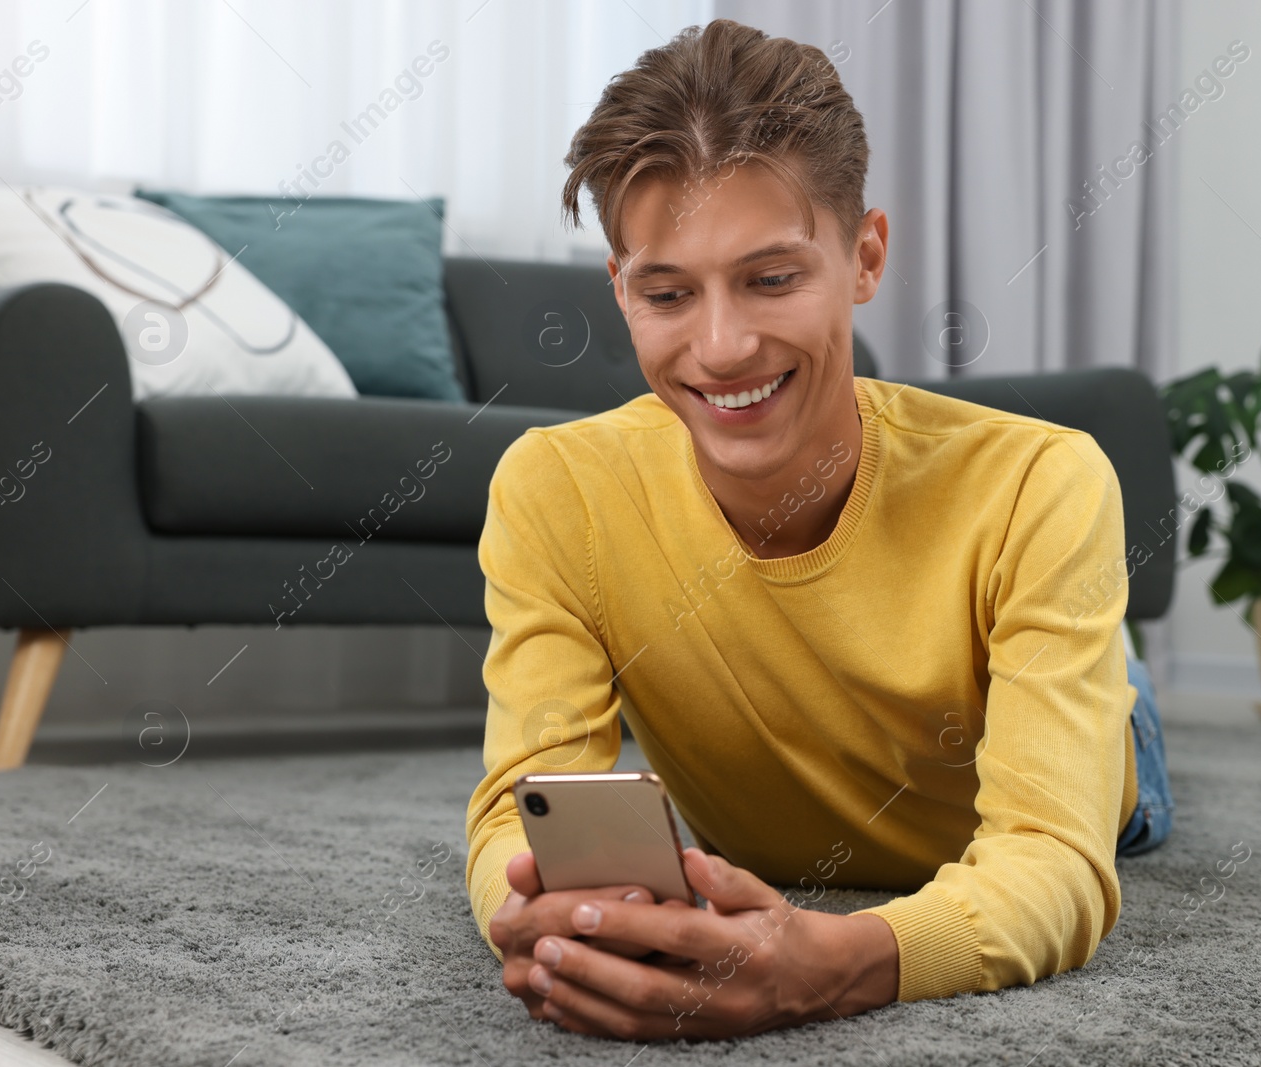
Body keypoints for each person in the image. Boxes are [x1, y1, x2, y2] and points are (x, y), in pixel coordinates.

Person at [465, 17, 1173, 1043]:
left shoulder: (1043, 482)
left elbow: (1054, 861)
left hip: (1098, 760)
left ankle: (1123, 689)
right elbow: (516, 813)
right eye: (668, 293)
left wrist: (833, 964)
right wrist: (548, 920)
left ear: (865, 256)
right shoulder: (552, 489)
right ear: (620, 293)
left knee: (1115, 726)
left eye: (771, 278)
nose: (720, 346)